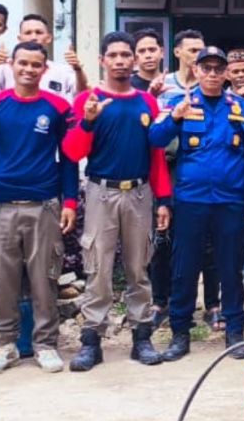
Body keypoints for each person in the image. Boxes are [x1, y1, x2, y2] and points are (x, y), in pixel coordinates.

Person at [0, 42, 78, 375]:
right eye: (22, 63)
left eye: (35, 64)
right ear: (11, 65)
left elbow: (68, 157)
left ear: (44, 68)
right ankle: (5, 345)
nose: (28, 69)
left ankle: (45, 344)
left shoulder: (57, 106)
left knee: (44, 278)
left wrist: (70, 201)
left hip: (43, 205)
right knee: (2, 280)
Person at [61, 32, 171, 370]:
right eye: (115, 55)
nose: (122, 61)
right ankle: (92, 339)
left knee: (139, 268)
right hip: (100, 193)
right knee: (98, 267)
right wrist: (89, 122)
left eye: (127, 55)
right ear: (103, 61)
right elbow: (72, 152)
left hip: (139, 193)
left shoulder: (146, 102)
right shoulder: (88, 100)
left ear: (134, 61)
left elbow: (156, 155)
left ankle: (142, 337)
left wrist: (163, 199)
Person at [150, 46, 244, 362]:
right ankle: (180, 333)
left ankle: (234, 332)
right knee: (184, 268)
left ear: (226, 72)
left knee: (231, 266)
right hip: (190, 200)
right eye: (206, 68)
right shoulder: (179, 103)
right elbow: (155, 140)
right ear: (196, 70)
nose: (212, 73)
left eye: (218, 68)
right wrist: (174, 118)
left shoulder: (241, 107)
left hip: (231, 201)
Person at [0, 14, 87, 101]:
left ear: (49, 38)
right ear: (20, 38)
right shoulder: (5, 68)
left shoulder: (62, 70)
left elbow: (82, 93)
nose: (33, 37)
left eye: (39, 32)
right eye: (28, 33)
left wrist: (78, 69)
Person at [157, 29, 206, 108]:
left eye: (201, 51)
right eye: (193, 51)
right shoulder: (164, 82)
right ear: (177, 52)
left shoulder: (208, 82)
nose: (198, 55)